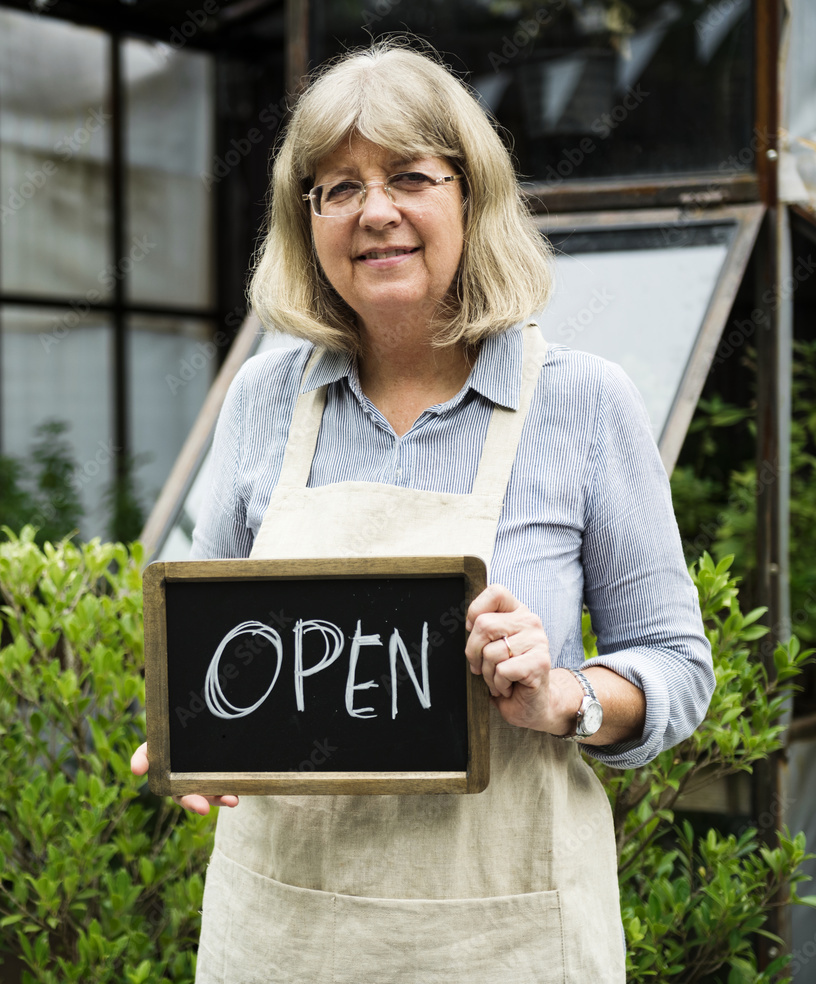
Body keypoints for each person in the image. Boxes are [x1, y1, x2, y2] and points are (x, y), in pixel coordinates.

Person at [131, 39, 714, 983]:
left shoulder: (584, 401)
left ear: (470, 197)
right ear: (307, 219)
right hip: (285, 930)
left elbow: (679, 668)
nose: (377, 213)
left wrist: (564, 696)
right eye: (339, 187)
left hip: (503, 933)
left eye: (410, 176)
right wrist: (191, 734)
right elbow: (208, 644)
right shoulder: (263, 399)